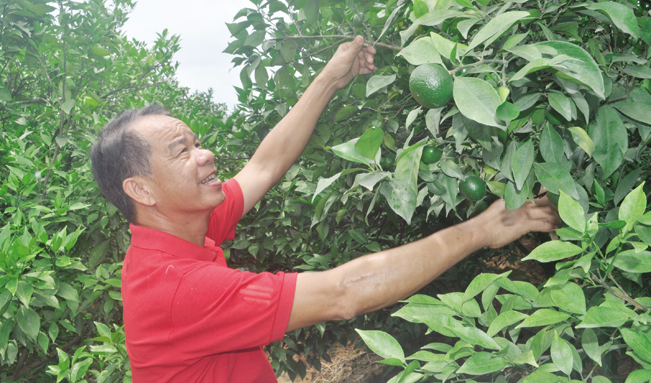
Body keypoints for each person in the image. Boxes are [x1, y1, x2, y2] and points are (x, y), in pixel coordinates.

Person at [90, 36, 561, 383]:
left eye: (198, 142)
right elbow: (344, 294)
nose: (206, 155)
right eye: (181, 151)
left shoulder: (187, 225)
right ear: (142, 190)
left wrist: (330, 79)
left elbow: (265, 166)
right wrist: (482, 229)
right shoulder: (175, 289)